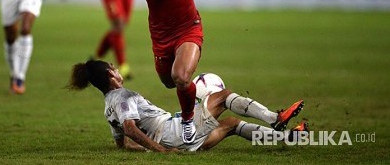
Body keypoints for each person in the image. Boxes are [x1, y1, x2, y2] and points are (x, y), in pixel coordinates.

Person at [68, 60, 307, 152]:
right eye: (115, 68)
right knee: (222, 97)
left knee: (231, 124)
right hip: (174, 134)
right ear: (111, 75)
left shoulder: (108, 107)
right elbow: (130, 129)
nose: (119, 71)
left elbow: (123, 144)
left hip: (177, 138)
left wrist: (151, 148)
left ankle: (287, 138)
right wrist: (162, 151)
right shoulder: (123, 96)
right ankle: (275, 118)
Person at [135, 0, 201, 143]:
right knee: (169, 82)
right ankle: (200, 87)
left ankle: (187, 120)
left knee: (181, 77)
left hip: (189, 26)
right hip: (161, 34)